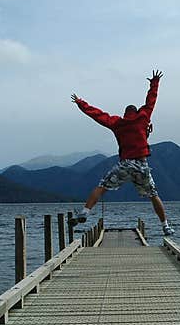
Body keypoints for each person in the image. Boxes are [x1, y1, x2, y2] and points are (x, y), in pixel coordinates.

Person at [71, 69, 174, 236]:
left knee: (102, 186)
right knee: (153, 195)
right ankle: (166, 226)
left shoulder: (117, 123)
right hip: (141, 165)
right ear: (137, 111)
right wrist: (154, 83)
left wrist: (81, 103)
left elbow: (98, 115)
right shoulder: (143, 117)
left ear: (125, 113)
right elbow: (150, 101)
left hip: (125, 165)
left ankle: (85, 212)